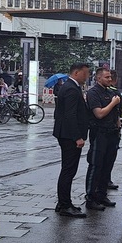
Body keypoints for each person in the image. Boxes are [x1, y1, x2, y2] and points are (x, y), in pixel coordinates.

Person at [83, 68, 122, 211]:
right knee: (96, 165)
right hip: (99, 133)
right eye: (107, 77)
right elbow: (99, 114)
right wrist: (113, 103)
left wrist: (119, 102)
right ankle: (90, 198)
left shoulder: (113, 92)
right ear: (98, 78)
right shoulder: (93, 93)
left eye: (110, 77)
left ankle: (102, 195)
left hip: (113, 134)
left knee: (107, 165)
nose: (110, 79)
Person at [53, 62, 91, 218]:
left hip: (67, 134)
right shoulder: (70, 89)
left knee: (68, 170)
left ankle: (63, 202)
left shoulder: (71, 87)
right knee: (68, 170)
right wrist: (77, 137)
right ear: (76, 73)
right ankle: (64, 205)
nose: (88, 76)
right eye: (86, 73)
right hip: (69, 136)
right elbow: (70, 115)